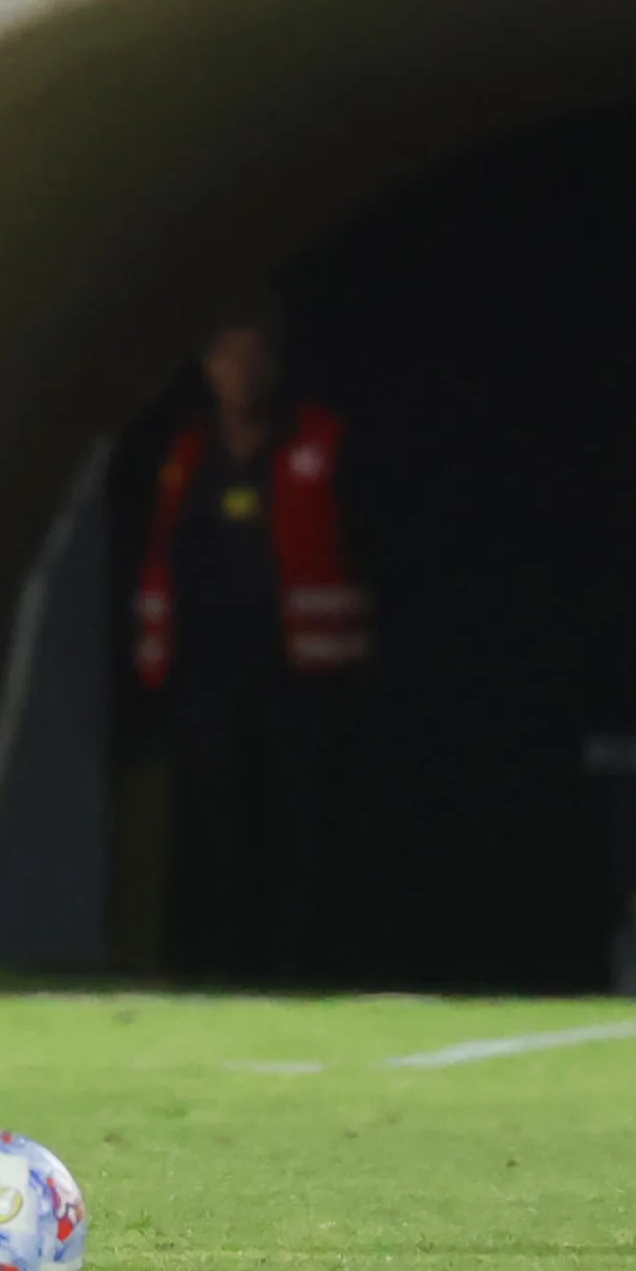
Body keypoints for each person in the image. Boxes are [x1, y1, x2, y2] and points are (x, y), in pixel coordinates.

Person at [134, 297, 371, 982]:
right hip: (207, 671)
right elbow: (160, 554)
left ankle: (302, 965)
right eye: (229, 355)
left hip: (300, 671)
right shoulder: (186, 453)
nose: (243, 370)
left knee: (301, 823)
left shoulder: (319, 441)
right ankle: (211, 966)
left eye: (257, 353)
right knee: (212, 822)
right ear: (208, 367)